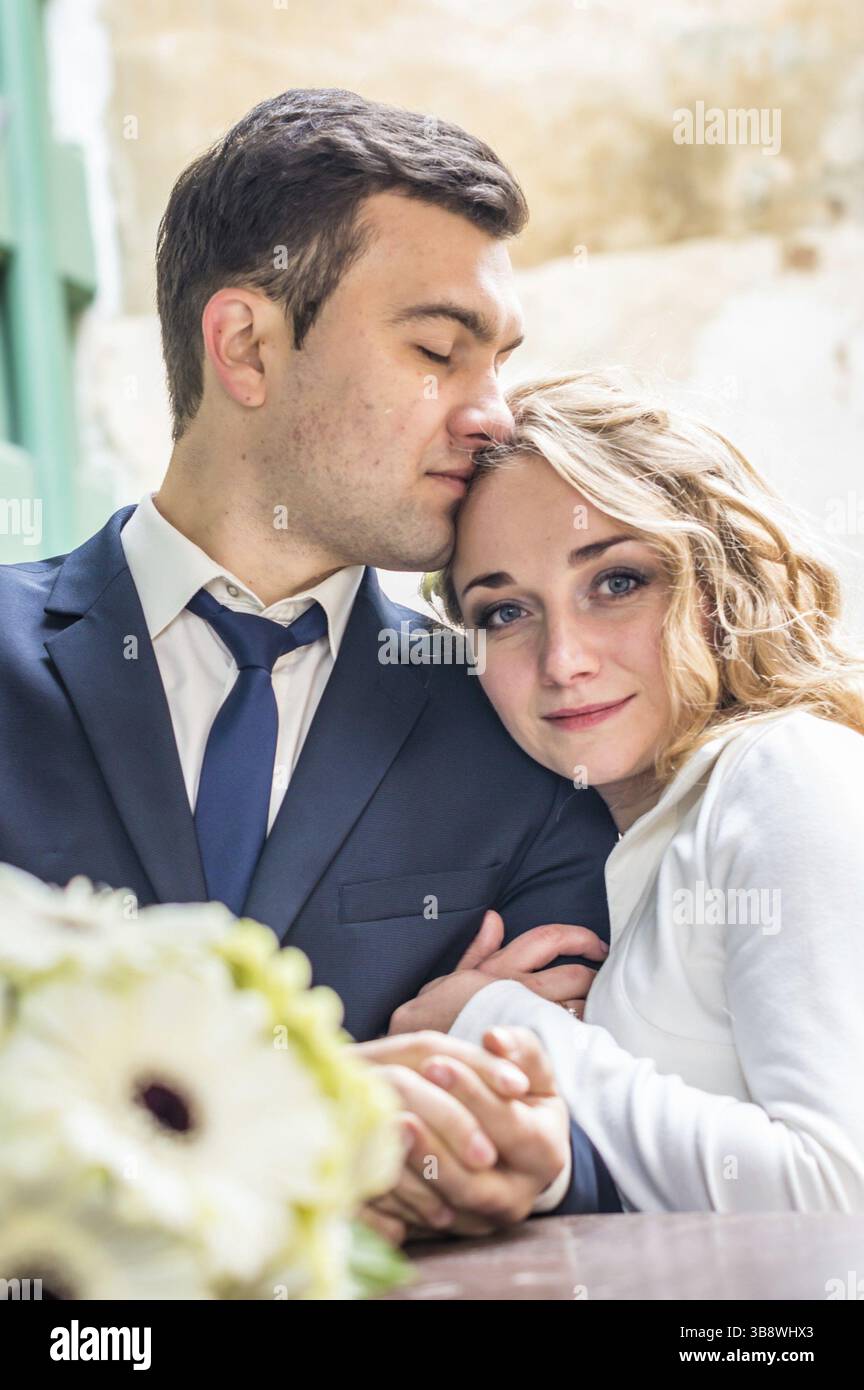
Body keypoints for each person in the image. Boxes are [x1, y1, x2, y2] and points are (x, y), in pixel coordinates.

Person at [0, 91, 621, 1242]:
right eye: (439, 349)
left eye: (499, 360)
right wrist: (328, 1102)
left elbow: (600, 1131)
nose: (494, 414)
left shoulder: (526, 713)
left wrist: (531, 1151)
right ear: (245, 345)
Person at [393, 369, 864, 1212]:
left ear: (719, 586)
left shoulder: (784, 772)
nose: (563, 660)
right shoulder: (643, 840)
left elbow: (838, 1189)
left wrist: (491, 1022)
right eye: (505, 612)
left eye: (615, 582)